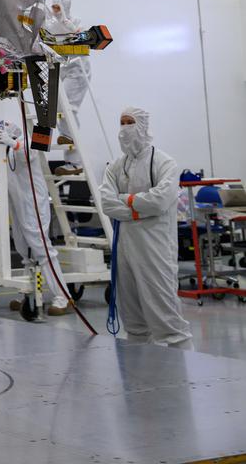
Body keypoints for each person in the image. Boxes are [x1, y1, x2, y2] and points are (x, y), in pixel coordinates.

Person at [100, 107, 192, 348]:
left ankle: (179, 381)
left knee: (167, 320)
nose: (125, 128)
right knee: (133, 321)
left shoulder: (164, 163)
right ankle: (141, 378)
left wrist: (126, 200)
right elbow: (107, 204)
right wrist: (140, 206)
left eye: (130, 122)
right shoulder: (116, 166)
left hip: (155, 248)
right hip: (125, 248)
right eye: (121, 122)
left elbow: (160, 201)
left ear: (142, 125)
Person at [0, 116, 69, 316]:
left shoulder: (28, 142)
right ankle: (29, 293)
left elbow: (28, 155)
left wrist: (13, 142)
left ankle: (62, 296)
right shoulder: (8, 149)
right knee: (24, 251)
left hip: (33, 204)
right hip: (18, 205)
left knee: (42, 250)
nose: (5, 129)